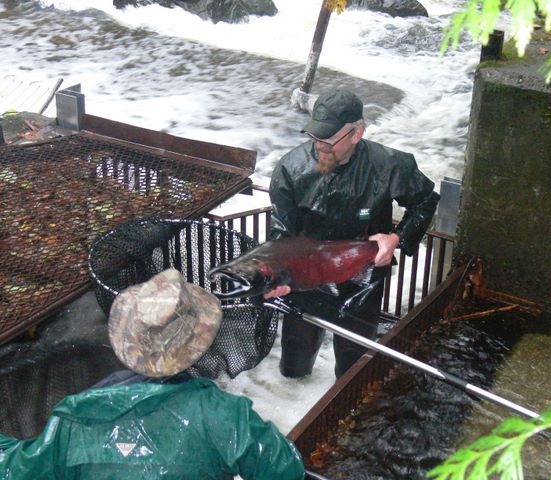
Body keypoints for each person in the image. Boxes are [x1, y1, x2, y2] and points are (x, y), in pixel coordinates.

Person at [0, 269, 305, 480]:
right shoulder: (223, 415)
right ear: (198, 344)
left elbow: (15, 470)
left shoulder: (74, 420)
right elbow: (284, 470)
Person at [265, 89, 440, 378]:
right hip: (308, 274)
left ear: (356, 134)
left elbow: (425, 200)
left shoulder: (389, 164)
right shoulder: (290, 168)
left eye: (328, 139)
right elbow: (282, 230)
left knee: (352, 366)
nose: (320, 146)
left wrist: (396, 238)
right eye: (315, 137)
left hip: (363, 276)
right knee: (294, 362)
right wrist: (277, 273)